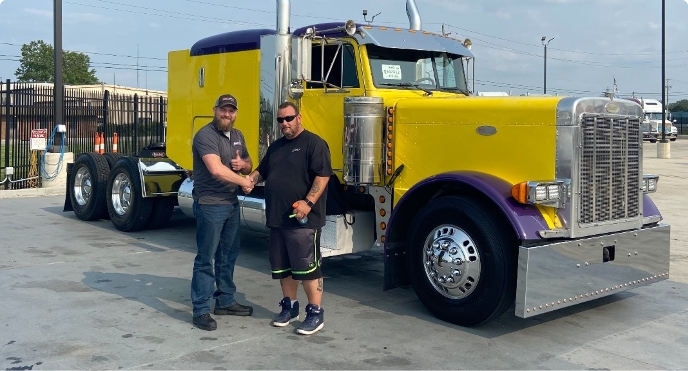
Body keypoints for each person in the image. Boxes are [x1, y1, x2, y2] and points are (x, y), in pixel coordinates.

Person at [245, 101, 333, 335]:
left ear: (299, 118)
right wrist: (249, 180)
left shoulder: (314, 144)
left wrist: (308, 202)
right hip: (277, 219)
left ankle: (315, 313)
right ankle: (289, 307)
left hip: (303, 220)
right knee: (283, 269)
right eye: (280, 120)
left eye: (289, 118)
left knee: (307, 269)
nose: (285, 123)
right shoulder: (276, 147)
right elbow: (261, 171)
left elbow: (322, 177)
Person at [190, 94, 255, 331]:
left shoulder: (237, 136)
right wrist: (244, 181)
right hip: (210, 204)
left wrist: (243, 167)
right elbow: (216, 169)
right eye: (223, 110)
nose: (227, 114)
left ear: (236, 113)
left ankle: (225, 301)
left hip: (230, 203)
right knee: (206, 258)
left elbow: (248, 161)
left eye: (231, 111)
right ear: (215, 110)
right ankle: (201, 309)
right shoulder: (205, 135)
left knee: (228, 255)